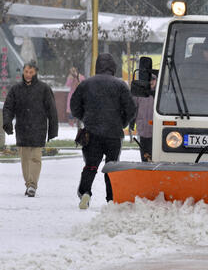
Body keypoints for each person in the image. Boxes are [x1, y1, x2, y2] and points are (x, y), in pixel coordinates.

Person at [70, 53, 136, 209]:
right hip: (113, 134)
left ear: (97, 66)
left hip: (92, 132)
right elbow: (131, 108)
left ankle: (85, 192)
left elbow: (74, 106)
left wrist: (85, 117)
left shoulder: (86, 84)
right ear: (113, 67)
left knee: (91, 165)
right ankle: (111, 198)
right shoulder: (120, 85)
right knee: (111, 166)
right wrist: (122, 122)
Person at [2, 60, 58, 197]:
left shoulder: (44, 89)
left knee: (35, 158)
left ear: (36, 73)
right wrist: (7, 122)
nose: (28, 74)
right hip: (22, 128)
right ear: (23, 71)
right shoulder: (16, 89)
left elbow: (52, 110)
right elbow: (8, 107)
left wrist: (52, 130)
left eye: (31, 72)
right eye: (26, 71)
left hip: (39, 128)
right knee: (25, 159)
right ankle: (28, 184)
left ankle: (33, 185)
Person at [132, 73, 157, 162]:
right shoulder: (140, 94)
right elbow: (134, 108)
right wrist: (132, 122)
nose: (151, 81)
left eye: (153, 79)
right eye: (149, 80)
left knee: (155, 157)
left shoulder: (159, 93)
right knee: (144, 156)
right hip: (142, 130)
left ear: (156, 80)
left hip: (156, 131)